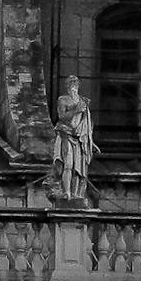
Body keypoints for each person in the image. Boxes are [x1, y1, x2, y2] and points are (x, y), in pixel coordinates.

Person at [46, 73, 100, 207]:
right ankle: (67, 192)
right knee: (68, 165)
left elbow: (86, 127)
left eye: (75, 83)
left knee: (79, 169)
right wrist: (76, 110)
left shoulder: (83, 101)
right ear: (67, 85)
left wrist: (91, 143)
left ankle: (76, 194)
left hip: (81, 139)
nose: (73, 85)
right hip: (66, 134)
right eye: (71, 82)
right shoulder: (63, 100)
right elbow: (62, 116)